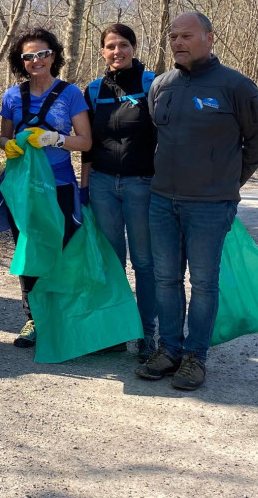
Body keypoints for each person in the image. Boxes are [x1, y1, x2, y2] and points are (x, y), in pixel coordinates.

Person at [137, 11, 258, 391]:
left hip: (211, 206)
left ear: (210, 38)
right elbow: (157, 138)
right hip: (162, 201)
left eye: (186, 36)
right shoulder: (161, 85)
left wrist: (226, 183)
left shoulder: (236, 86)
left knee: (204, 282)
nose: (178, 42)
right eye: (173, 36)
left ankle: (195, 357)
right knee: (166, 280)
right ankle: (168, 350)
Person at [0, 27, 92, 349]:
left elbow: (86, 141)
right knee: (28, 252)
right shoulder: (12, 96)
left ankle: (61, 318)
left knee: (61, 251)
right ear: (21, 60)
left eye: (43, 54)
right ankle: (34, 318)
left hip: (60, 185)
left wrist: (55, 139)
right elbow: (4, 136)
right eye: (29, 56)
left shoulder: (70, 94)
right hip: (23, 187)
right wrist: (8, 145)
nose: (36, 60)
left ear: (54, 56)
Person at [79, 23, 157, 361]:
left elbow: (166, 137)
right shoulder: (94, 90)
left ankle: (147, 333)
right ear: (102, 51)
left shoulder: (152, 84)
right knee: (111, 261)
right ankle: (115, 330)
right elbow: (87, 145)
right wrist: (84, 187)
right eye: (110, 46)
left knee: (144, 261)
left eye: (123, 44)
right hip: (102, 184)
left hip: (142, 184)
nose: (117, 51)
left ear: (134, 47)